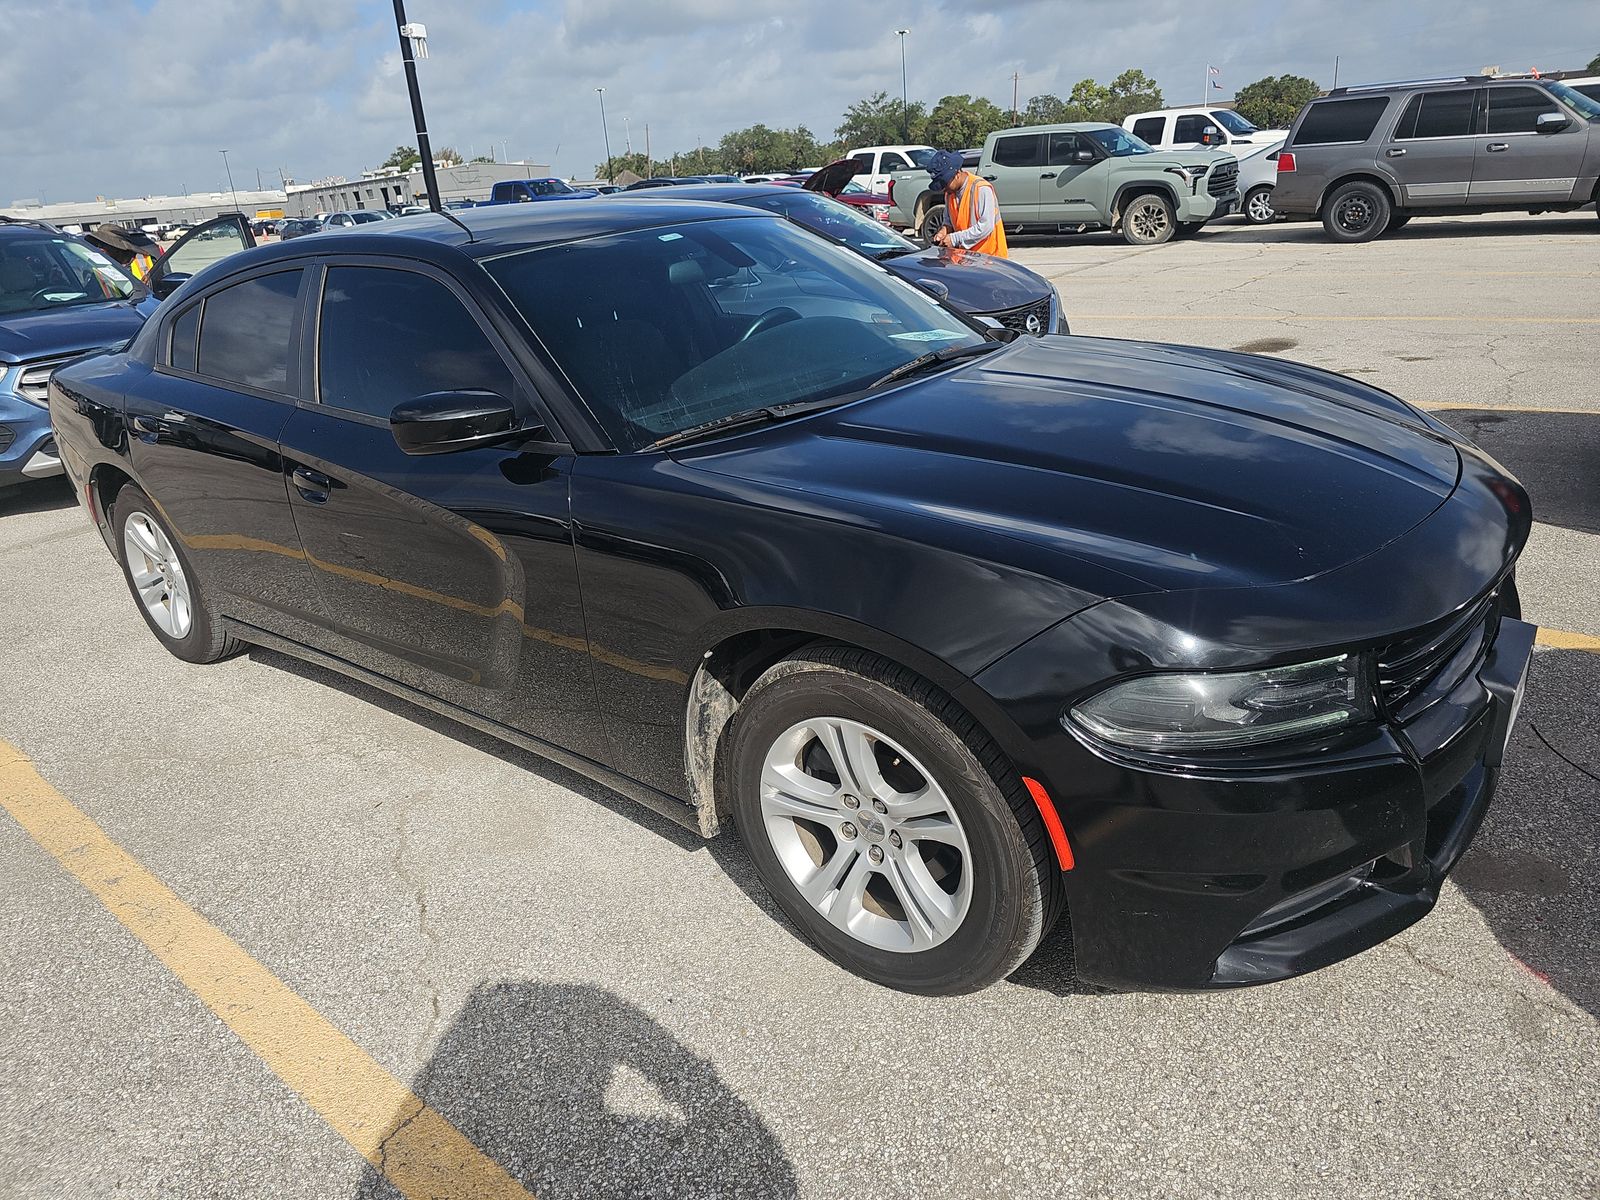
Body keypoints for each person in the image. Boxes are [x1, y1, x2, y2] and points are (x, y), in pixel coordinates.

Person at [925, 149, 1008, 258]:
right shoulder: (949, 193)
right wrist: (944, 231)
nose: (943, 189)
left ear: (957, 174)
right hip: (968, 258)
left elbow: (985, 227)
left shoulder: (981, 189)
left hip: (990, 258)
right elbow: (948, 222)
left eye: (944, 183)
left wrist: (954, 239)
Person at [85, 224, 161, 283]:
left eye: (103, 244)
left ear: (118, 247)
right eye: (97, 244)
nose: (99, 248)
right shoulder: (99, 267)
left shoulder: (147, 261)